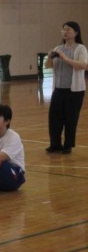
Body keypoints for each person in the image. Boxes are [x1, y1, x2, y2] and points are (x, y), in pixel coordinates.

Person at [44, 21, 88, 154]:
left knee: (70, 119)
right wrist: (49, 57)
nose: (65, 32)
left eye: (68, 29)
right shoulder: (58, 48)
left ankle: (67, 145)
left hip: (74, 91)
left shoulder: (80, 48)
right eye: (63, 29)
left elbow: (83, 66)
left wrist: (65, 58)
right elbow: (47, 66)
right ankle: (55, 144)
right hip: (58, 89)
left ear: (76, 32)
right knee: (54, 118)